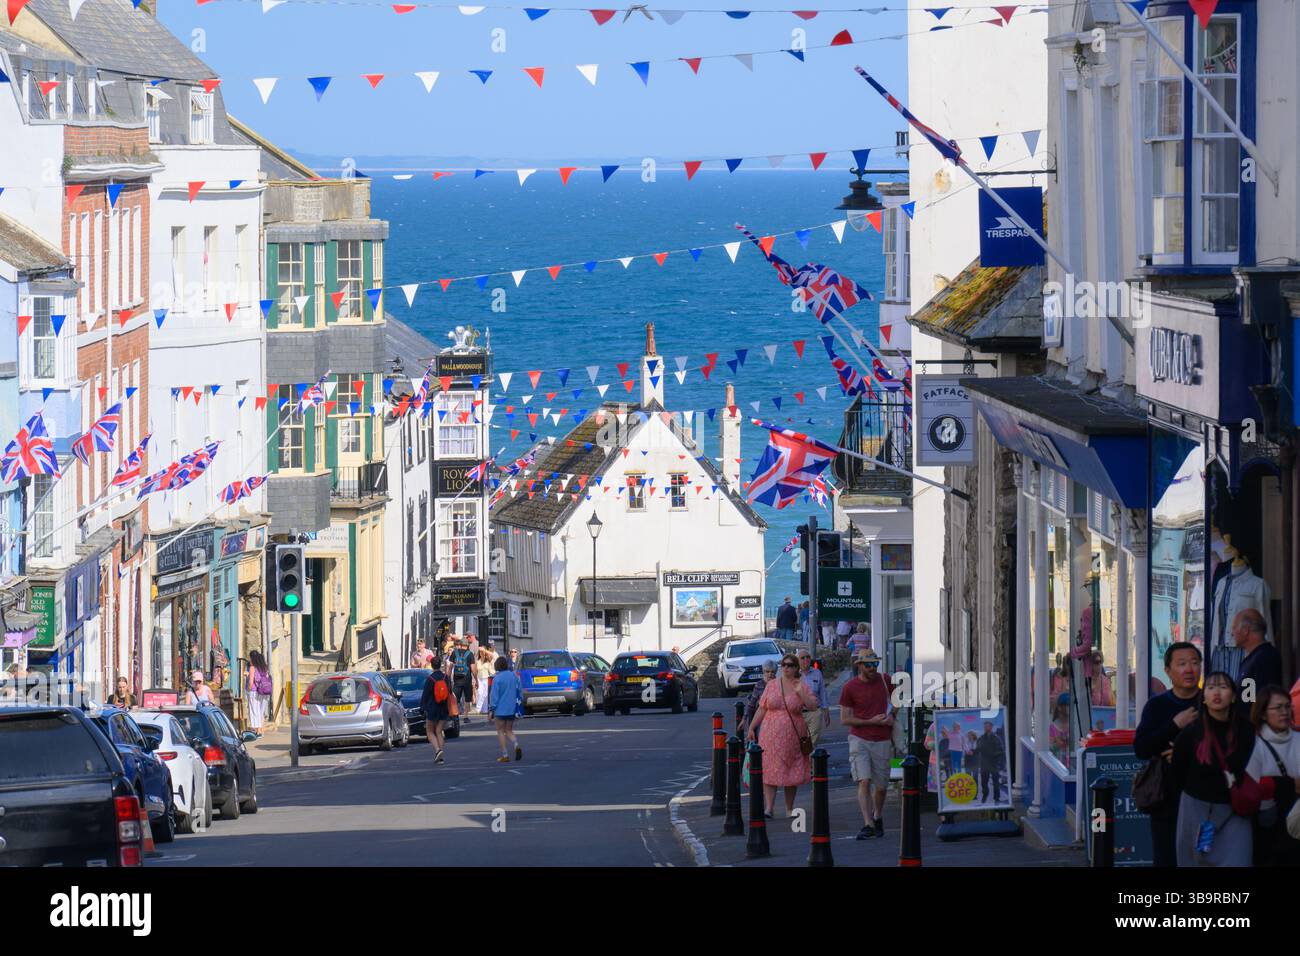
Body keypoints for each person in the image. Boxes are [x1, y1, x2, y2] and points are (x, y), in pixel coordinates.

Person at [1171, 671, 1255, 867]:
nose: (1216, 692)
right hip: (1196, 810)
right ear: (1205, 698)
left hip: (1235, 810)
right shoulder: (1191, 733)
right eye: (1210, 687)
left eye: (1223, 687)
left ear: (1234, 696)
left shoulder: (1247, 730)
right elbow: (1177, 774)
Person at [1134, 641, 1204, 867]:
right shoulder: (1157, 706)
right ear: (1167, 671)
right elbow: (1141, 749)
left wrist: (1185, 752)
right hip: (1166, 800)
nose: (1189, 669)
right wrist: (1174, 725)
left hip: (1206, 799)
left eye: (1194, 663)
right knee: (1167, 860)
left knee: (1204, 858)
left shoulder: (1210, 702)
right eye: (1182, 663)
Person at [746, 653, 818, 818]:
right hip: (769, 735)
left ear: (796, 668)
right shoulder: (772, 685)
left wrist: (801, 693)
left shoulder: (802, 686)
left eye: (791, 665)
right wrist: (751, 727)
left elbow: (813, 706)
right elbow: (762, 707)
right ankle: (769, 808)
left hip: (792, 736)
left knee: (790, 771)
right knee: (770, 769)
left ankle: (789, 809)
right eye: (784, 665)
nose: (786, 668)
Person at [838, 649, 894, 839]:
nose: (872, 668)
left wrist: (891, 716)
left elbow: (898, 702)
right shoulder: (849, 687)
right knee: (864, 780)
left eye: (875, 664)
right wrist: (872, 721)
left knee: (881, 786)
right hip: (859, 739)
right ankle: (868, 823)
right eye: (868, 664)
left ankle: (877, 815)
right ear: (860, 665)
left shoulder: (886, 680)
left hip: (883, 739)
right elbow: (845, 719)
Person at [1245, 685, 1300, 866]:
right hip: (1269, 824)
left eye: (1287, 706)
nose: (1284, 712)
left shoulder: (1298, 738)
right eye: (1278, 707)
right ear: (1262, 713)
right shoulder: (1254, 744)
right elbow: (1251, 786)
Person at [1232, 609, 1281, 702]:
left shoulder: (1265, 658)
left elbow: (1263, 699)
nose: (1232, 633)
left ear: (1245, 630)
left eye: (1234, 628)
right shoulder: (1254, 658)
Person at [419, 655, 454, 764]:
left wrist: (422, 708)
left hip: (432, 708)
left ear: (431, 665)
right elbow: (449, 691)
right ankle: (441, 756)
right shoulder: (446, 678)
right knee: (439, 731)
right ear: (440, 665)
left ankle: (437, 750)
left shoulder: (430, 679)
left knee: (430, 731)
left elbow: (425, 695)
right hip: (443, 707)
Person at [489, 655, 523, 763]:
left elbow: (494, 696)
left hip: (500, 709)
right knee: (509, 730)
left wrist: (491, 709)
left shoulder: (497, 678)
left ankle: (505, 755)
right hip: (512, 708)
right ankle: (516, 744)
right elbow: (520, 690)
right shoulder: (514, 676)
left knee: (500, 731)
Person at [798, 651, 830, 746]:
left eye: (808, 657)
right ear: (797, 661)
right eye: (802, 658)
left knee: (812, 743)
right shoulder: (794, 675)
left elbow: (822, 693)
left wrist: (826, 711)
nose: (806, 659)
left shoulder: (817, 673)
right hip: (798, 713)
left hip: (814, 713)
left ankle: (809, 759)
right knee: (799, 741)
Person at [743, 661, 776, 739]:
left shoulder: (779, 684)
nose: (770, 674)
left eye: (772, 672)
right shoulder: (759, 685)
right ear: (763, 672)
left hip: (775, 718)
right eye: (767, 671)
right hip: (761, 718)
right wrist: (744, 719)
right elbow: (751, 704)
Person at [975, 721, 1005, 803]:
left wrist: (994, 756)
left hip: (994, 764)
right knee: (984, 782)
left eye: (987, 726)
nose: (985, 728)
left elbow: (1001, 751)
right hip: (984, 764)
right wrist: (972, 752)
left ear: (991, 727)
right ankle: (985, 796)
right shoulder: (981, 739)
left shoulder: (996, 738)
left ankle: (996, 798)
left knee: (996, 782)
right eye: (984, 726)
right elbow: (977, 750)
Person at [245, 650, 272, 737]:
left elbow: (251, 681)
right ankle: (261, 731)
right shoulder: (264, 668)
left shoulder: (253, 668)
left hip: (254, 691)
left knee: (254, 711)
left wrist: (248, 689)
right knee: (261, 711)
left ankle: (257, 731)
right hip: (264, 691)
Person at [450, 640, 475, 725]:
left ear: (460, 644)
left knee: (456, 699)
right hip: (467, 679)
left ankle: (455, 716)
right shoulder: (470, 654)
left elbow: (450, 666)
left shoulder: (454, 653)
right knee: (467, 699)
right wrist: (476, 679)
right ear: (467, 645)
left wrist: (447, 677)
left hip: (457, 679)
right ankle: (465, 716)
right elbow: (473, 668)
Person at [475, 648, 493, 714]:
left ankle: (485, 709)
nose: (481, 654)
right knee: (480, 693)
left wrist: (484, 650)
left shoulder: (488, 661)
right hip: (479, 679)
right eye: (480, 652)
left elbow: (492, 655)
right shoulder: (477, 661)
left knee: (485, 694)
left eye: (482, 652)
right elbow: (476, 671)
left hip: (486, 678)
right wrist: (475, 681)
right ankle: (478, 708)